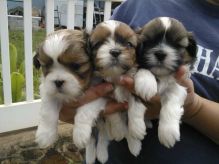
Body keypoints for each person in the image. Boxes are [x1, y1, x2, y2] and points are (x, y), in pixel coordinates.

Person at [60, 0, 219, 163]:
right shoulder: (138, 5)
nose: (161, 52)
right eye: (148, 43)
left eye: (177, 46)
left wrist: (193, 108)